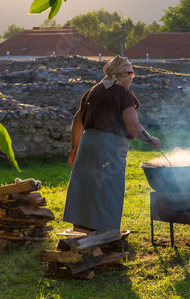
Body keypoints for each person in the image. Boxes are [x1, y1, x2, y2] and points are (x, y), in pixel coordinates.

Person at [63, 55, 161, 233]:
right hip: (109, 150)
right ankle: (104, 232)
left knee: (86, 187)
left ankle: (81, 229)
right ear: (123, 74)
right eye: (131, 74)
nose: (132, 78)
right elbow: (132, 127)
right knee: (106, 190)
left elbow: (77, 121)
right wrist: (151, 140)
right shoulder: (124, 94)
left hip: (87, 145)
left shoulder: (93, 90)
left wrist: (75, 146)